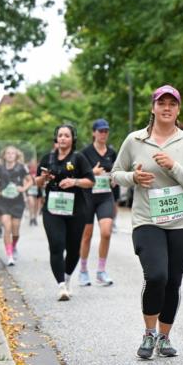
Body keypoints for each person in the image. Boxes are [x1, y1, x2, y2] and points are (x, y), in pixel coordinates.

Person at [111, 85, 183, 360]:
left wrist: (173, 167)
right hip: (146, 219)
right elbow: (116, 174)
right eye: (161, 103)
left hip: (182, 221)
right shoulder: (135, 140)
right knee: (156, 276)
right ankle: (149, 333)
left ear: (178, 109)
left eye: (172, 104)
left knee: (172, 282)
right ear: (153, 107)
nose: (166, 107)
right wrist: (133, 179)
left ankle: (165, 336)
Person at [35, 125, 94, 301]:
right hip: (53, 208)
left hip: (76, 209)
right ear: (56, 138)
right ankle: (61, 285)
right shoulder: (48, 158)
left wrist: (74, 181)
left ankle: (67, 278)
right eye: (60, 135)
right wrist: (44, 178)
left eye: (66, 135)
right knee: (56, 245)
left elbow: (91, 181)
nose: (62, 138)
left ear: (72, 139)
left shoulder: (78, 158)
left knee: (74, 248)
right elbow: (37, 181)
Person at [78, 119, 119, 287]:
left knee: (106, 232)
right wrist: (92, 172)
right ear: (93, 133)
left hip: (105, 197)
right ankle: (83, 270)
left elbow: (117, 170)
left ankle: (101, 271)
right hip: (87, 197)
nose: (103, 134)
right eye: (100, 131)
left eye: (106, 131)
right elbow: (78, 175)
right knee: (86, 235)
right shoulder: (85, 153)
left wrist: (115, 178)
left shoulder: (111, 152)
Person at [0, 145, 32, 266]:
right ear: (4, 155)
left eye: (12, 153)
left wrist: (23, 188)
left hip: (17, 201)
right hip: (3, 201)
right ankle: (9, 255)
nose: (10, 155)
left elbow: (30, 180)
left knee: (15, 230)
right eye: (7, 153)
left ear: (16, 155)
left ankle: (13, 246)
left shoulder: (21, 168)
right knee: (7, 227)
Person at [26, 157, 42, 226]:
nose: (33, 165)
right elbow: (25, 180)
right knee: (31, 203)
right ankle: (31, 217)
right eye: (32, 164)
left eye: (34, 164)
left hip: (38, 189)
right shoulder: (28, 171)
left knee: (36, 204)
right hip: (30, 189)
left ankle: (35, 218)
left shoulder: (39, 171)